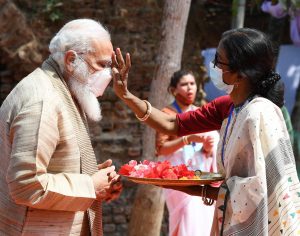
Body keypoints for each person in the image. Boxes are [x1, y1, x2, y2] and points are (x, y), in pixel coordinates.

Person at [112, 28, 300, 235]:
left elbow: (261, 188)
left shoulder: (259, 114)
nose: (213, 67)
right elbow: (172, 124)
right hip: (227, 217)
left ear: (239, 74)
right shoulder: (228, 107)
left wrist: (199, 188)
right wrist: (127, 96)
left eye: (219, 61)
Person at [0, 19, 122, 236]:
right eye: (102, 65)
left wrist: (93, 178)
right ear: (71, 60)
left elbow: (53, 163)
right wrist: (90, 186)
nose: (108, 74)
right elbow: (26, 185)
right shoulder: (43, 100)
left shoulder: (64, 88)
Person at [156, 69, 219, 236]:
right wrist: (187, 139)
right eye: (184, 84)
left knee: (203, 222)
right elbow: (161, 149)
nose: (190, 88)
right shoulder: (166, 114)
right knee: (188, 216)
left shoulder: (200, 113)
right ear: (173, 90)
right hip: (177, 179)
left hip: (200, 177)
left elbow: (207, 152)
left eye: (192, 84)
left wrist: (208, 146)